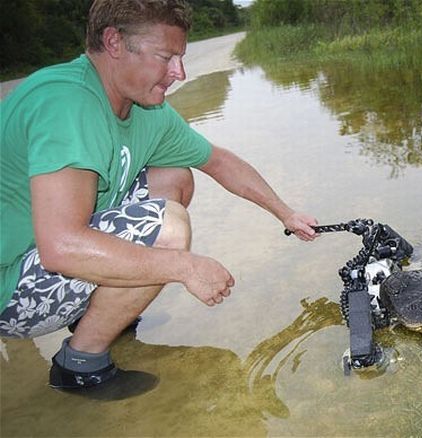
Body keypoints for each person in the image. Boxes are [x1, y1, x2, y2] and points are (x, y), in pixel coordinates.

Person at [0, 0, 318, 391]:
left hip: (42, 255)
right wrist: (184, 267)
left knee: (174, 176)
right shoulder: (68, 103)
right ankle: (80, 364)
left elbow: (218, 161)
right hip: (9, 288)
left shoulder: (142, 106)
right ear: (114, 42)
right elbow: (61, 248)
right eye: (166, 57)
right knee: (166, 230)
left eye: (181, 57)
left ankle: (102, 314)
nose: (179, 73)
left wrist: (286, 214)